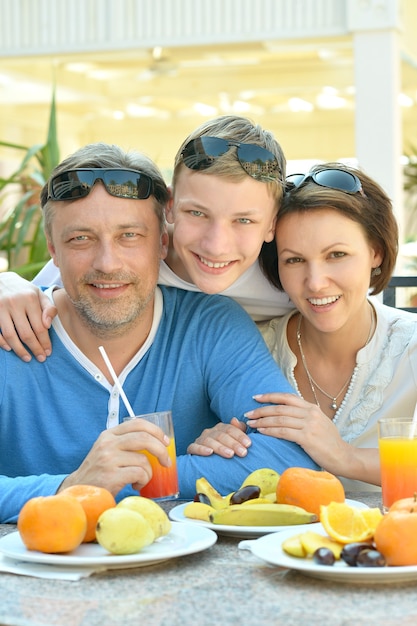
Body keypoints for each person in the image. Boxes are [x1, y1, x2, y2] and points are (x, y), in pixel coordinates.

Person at [0, 142, 318, 523]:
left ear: (163, 241)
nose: (107, 263)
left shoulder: (210, 325)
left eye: (129, 235)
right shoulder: (10, 330)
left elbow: (289, 457)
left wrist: (137, 475)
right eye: (80, 238)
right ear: (53, 248)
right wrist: (73, 488)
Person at [0, 115, 292, 362]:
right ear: (170, 206)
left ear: (272, 224)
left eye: (243, 220)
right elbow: (36, 291)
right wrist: (7, 283)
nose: (216, 245)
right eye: (197, 213)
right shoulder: (135, 250)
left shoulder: (291, 274)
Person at [210, 163, 417, 493]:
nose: (316, 283)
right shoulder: (250, 350)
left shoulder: (411, 345)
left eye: (336, 254)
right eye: (294, 259)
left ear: (375, 252)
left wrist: (345, 456)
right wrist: (217, 444)